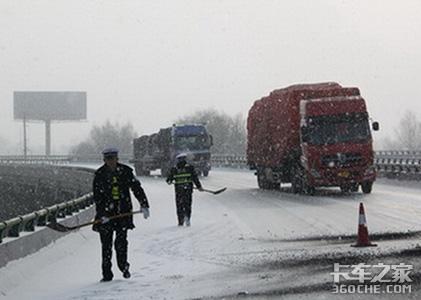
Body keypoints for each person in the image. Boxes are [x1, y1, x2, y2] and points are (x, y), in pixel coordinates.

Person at [92, 147, 150, 282]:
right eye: (108, 159)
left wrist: (144, 204)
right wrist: (102, 215)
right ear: (104, 160)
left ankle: (124, 267)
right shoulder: (99, 174)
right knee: (106, 246)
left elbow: (137, 188)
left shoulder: (126, 171)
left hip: (123, 214)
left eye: (113, 158)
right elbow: (97, 198)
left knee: (121, 243)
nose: (111, 161)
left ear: (117, 159)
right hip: (106, 216)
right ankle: (107, 274)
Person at [166, 153, 203, 226]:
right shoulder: (190, 168)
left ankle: (180, 220)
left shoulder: (175, 168)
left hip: (179, 190)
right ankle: (187, 217)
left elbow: (168, 179)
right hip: (188, 189)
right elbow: (195, 178)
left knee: (179, 205)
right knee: (187, 204)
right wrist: (199, 186)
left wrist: (169, 181)